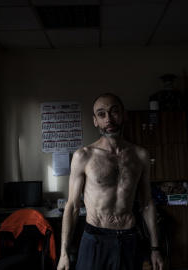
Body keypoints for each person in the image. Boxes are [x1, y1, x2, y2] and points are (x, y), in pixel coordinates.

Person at [57, 93, 163, 270]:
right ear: (95, 121)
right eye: (101, 114)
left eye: (114, 112)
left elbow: (146, 203)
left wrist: (155, 248)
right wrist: (64, 254)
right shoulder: (83, 156)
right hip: (95, 238)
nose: (108, 119)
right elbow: (72, 206)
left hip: (130, 238)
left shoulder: (140, 155)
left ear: (124, 115)